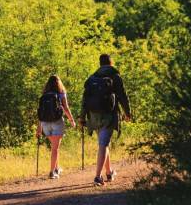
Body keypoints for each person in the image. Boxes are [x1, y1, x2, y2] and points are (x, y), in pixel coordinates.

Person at [79, 54, 132, 186]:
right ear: (111, 63)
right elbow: (122, 96)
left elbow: (84, 100)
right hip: (108, 116)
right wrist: (128, 113)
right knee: (103, 144)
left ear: (100, 63)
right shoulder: (115, 77)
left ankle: (109, 172)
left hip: (93, 116)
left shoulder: (92, 78)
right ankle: (97, 177)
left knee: (104, 143)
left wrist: (82, 117)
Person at [36, 75, 76, 179]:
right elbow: (66, 108)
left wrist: (39, 128)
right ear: (59, 83)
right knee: (55, 149)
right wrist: (71, 120)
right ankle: (52, 172)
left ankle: (57, 168)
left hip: (45, 124)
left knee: (54, 147)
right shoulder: (61, 93)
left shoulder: (44, 94)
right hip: (57, 123)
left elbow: (40, 112)